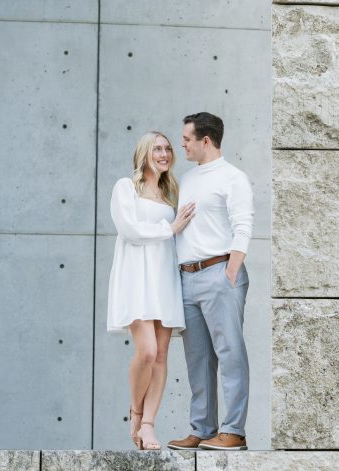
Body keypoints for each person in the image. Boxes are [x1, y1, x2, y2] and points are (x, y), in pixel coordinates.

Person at [167, 112, 254, 451]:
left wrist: (230, 272)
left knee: (230, 353)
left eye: (187, 138)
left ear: (206, 140)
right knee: (197, 358)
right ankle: (203, 429)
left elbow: (243, 225)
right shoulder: (187, 179)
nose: (182, 143)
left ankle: (234, 431)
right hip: (188, 277)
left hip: (220, 273)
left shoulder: (233, 177)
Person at [107, 131, 196, 450]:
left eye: (168, 149)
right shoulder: (125, 187)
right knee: (145, 352)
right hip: (136, 277)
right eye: (157, 148)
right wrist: (169, 228)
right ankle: (135, 412)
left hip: (164, 278)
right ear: (144, 153)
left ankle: (148, 426)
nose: (164, 153)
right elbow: (128, 230)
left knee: (160, 357)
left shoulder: (172, 193)